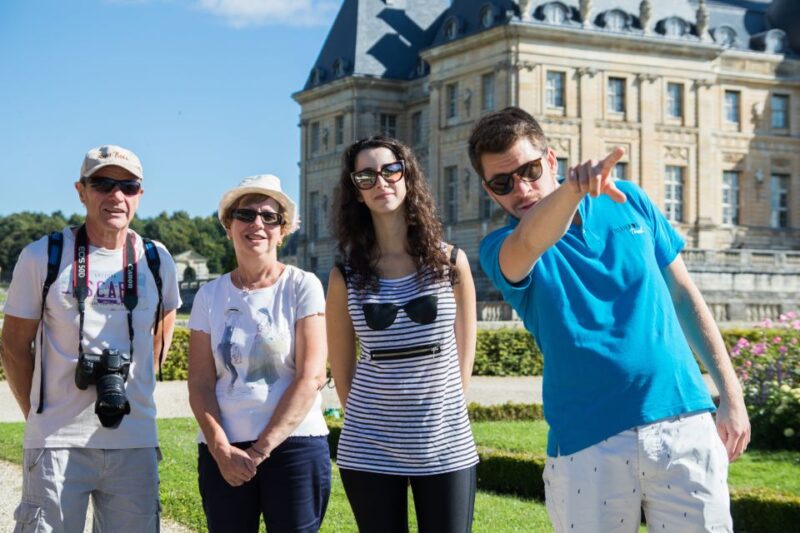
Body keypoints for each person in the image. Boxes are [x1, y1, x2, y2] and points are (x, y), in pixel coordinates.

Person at [468, 107, 751, 532]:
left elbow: (684, 295)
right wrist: (573, 190)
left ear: (550, 160)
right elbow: (532, 238)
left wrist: (730, 393)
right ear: (490, 192)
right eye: (502, 183)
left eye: (529, 170)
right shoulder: (500, 247)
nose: (521, 189)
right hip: (588, 441)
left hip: (684, 419)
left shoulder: (629, 199)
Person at [0, 144, 181, 532]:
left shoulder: (155, 258)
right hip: (56, 440)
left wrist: (136, 380)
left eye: (128, 186)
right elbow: (13, 345)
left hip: (134, 438)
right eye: (102, 183)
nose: (116, 196)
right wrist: (37, 414)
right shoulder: (42, 256)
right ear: (81, 191)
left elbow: (165, 321)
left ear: (140, 195)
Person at [327, 136, 479, 533]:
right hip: (369, 444)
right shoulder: (346, 275)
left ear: (407, 176)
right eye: (366, 176)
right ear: (356, 192)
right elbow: (342, 368)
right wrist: (367, 420)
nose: (381, 182)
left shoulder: (451, 262)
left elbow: (465, 352)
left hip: (445, 439)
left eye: (391, 170)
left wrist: (445, 412)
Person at [187, 174, 330, 533]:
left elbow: (311, 377)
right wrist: (221, 448)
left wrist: (258, 452)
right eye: (246, 214)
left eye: (270, 217)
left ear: (284, 230)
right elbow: (201, 382)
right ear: (228, 225)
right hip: (224, 449)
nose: (258, 224)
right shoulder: (209, 296)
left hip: (295, 445)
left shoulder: (302, 285)